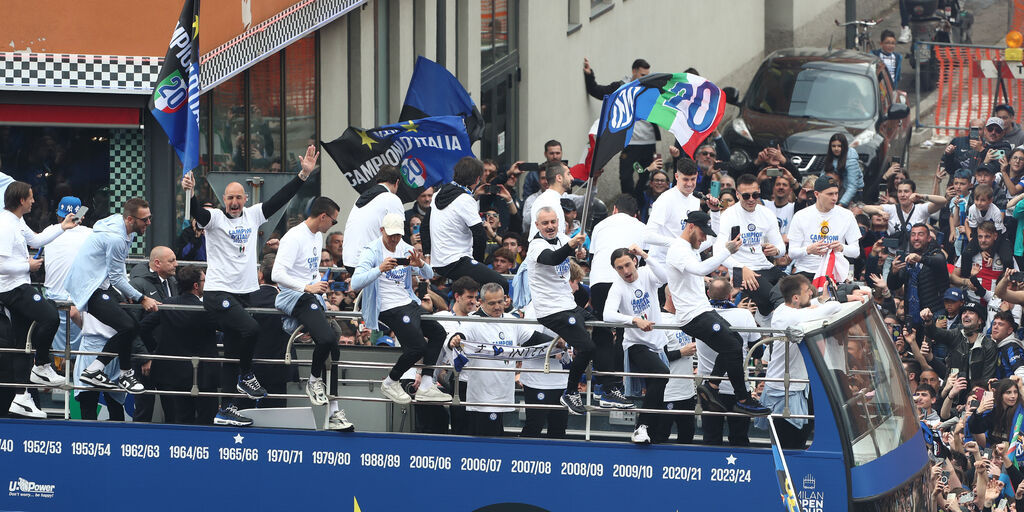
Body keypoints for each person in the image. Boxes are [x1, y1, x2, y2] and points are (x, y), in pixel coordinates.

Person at [181, 144, 319, 426]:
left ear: (245, 199)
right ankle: (247, 376)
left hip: (244, 294)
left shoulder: (253, 214)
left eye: (238, 197)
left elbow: (280, 199)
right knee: (251, 329)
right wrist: (191, 194)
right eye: (229, 197)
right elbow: (199, 214)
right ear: (224, 199)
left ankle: (226, 409)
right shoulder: (215, 218)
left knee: (233, 354)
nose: (234, 202)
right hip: (218, 292)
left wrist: (303, 175)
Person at [665, 210, 770, 416]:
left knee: (735, 341)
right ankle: (742, 398)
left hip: (701, 310)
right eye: (702, 233)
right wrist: (727, 251)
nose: (705, 238)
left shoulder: (689, 245)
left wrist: (714, 212)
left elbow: (713, 241)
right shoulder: (678, 249)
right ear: (691, 227)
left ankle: (712, 386)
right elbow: (700, 269)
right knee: (732, 346)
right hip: (692, 316)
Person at [527, 206, 631, 414]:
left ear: (559, 222)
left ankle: (609, 388)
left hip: (568, 304)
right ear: (537, 225)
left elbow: (573, 253)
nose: (550, 226)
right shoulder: (536, 246)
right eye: (545, 223)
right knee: (587, 347)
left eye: (553, 222)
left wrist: (579, 252)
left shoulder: (561, 238)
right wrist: (571, 246)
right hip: (551, 310)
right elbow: (552, 258)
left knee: (603, 332)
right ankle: (571, 392)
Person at [272, 196, 355, 431]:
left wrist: (320, 284)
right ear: (323, 217)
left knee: (334, 345)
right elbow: (277, 274)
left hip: (311, 296)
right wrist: (307, 287)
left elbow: (310, 271)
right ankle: (314, 380)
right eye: (334, 221)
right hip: (295, 296)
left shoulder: (317, 236)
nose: (334, 224)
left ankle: (334, 410)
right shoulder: (294, 237)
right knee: (327, 338)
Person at [351, 213, 452, 405]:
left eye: (398, 235)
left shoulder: (406, 248)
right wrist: (380, 269)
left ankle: (426, 385)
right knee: (417, 347)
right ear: (382, 231)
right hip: (386, 306)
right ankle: (390, 382)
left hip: (408, 302)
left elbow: (429, 274)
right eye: (391, 235)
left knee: (438, 333)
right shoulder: (371, 251)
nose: (394, 239)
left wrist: (420, 264)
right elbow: (356, 283)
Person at [0, 184, 78, 417]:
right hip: (13, 288)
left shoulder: (16, 221)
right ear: (21, 200)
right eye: (31, 198)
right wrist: (28, 266)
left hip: (18, 286)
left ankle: (21, 397)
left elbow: (36, 240)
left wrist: (63, 227)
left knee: (22, 345)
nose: (34, 201)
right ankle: (42, 365)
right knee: (51, 316)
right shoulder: (5, 224)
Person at [65, 197, 156, 394]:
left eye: (150, 218)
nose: (149, 223)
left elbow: (118, 267)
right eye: (145, 219)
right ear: (130, 219)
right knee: (128, 326)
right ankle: (96, 371)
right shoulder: (116, 238)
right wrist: (142, 298)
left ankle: (122, 374)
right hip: (90, 288)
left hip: (100, 283)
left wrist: (127, 291)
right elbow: (116, 277)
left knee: (130, 325)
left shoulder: (124, 228)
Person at [448, 282, 554, 436]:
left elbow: (534, 338)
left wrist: (557, 343)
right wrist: (456, 339)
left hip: (503, 392)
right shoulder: (473, 321)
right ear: (481, 302)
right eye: (492, 303)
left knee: (497, 435)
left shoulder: (511, 320)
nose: (497, 307)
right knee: (484, 438)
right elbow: (460, 335)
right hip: (482, 396)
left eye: (500, 301)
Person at [762, 274, 844, 448]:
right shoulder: (790, 316)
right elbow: (834, 306)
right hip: (784, 390)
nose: (811, 293)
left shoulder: (787, 309)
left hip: (797, 385)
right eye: (808, 291)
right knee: (788, 442)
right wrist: (828, 300)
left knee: (802, 435)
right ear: (796, 298)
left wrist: (819, 300)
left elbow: (812, 306)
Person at [602, 245, 670, 444]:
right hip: (635, 344)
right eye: (619, 268)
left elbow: (665, 277)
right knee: (662, 374)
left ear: (635, 262)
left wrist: (643, 254)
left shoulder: (647, 273)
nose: (625, 271)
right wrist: (634, 320)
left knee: (658, 386)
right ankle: (642, 426)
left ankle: (652, 434)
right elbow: (607, 315)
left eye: (627, 265)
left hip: (658, 343)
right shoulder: (618, 286)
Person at [137, 266, 220, 425]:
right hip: (203, 374)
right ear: (196, 285)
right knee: (207, 421)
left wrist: (154, 348)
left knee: (179, 421)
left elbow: (142, 328)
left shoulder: (167, 304)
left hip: (173, 373)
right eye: (205, 280)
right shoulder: (206, 309)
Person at [587, 194, 645, 401]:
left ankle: (604, 385)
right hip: (624, 280)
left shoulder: (600, 225)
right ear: (635, 214)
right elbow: (643, 261)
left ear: (614, 210)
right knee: (623, 333)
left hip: (599, 282)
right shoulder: (641, 226)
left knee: (602, 334)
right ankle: (617, 385)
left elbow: (592, 257)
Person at [422, 157, 508, 293]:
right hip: (457, 262)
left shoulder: (438, 193)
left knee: (469, 292)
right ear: (477, 179)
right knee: (502, 284)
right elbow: (479, 235)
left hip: (438, 263)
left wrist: (428, 255)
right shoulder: (465, 200)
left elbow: (424, 227)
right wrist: (479, 264)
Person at [696, 278, 760, 446]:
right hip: (738, 389)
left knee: (711, 438)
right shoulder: (744, 315)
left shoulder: (699, 315)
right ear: (730, 295)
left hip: (709, 389)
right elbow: (758, 351)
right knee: (739, 439)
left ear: (708, 293)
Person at [713, 174, 786, 319]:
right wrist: (742, 268)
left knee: (794, 288)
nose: (751, 199)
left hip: (764, 265)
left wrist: (776, 250)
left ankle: (763, 317)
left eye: (755, 195)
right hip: (740, 270)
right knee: (774, 298)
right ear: (737, 195)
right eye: (746, 196)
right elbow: (717, 252)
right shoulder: (728, 215)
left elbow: (781, 247)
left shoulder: (767, 213)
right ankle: (768, 320)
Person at [583, 57, 656, 197]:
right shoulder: (621, 87)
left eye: (647, 75)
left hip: (648, 142)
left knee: (646, 177)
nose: (645, 78)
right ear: (634, 71)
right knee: (625, 177)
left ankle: (639, 204)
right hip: (630, 143)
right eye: (642, 75)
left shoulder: (651, 89)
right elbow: (597, 91)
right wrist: (589, 75)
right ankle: (628, 204)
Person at [127, 245, 178, 423]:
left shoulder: (173, 282)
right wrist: (144, 357)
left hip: (168, 356)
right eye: (171, 261)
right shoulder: (137, 285)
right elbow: (131, 326)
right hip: (146, 358)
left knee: (173, 408)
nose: (176, 264)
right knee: (144, 408)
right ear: (157, 263)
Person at [788, 176, 862, 283]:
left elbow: (856, 252)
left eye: (836, 193)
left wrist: (841, 247)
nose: (834, 198)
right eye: (830, 194)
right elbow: (792, 253)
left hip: (833, 272)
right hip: (806, 271)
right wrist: (808, 250)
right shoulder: (801, 216)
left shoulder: (847, 215)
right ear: (816, 194)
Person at [645, 159, 718, 264]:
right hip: (663, 263)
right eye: (685, 179)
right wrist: (680, 244)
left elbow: (712, 238)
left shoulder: (695, 199)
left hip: (685, 261)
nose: (689, 184)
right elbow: (648, 236)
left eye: (693, 179)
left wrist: (715, 211)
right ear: (676, 177)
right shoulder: (665, 200)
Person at [885, 223, 950, 328]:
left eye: (920, 234)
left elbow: (940, 261)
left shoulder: (936, 253)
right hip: (912, 315)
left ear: (929, 238)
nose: (916, 238)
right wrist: (894, 272)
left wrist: (920, 259)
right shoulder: (908, 258)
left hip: (934, 313)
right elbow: (893, 286)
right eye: (913, 234)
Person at [921, 303, 998, 388]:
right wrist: (928, 321)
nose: (966, 315)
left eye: (971, 313)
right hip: (951, 392)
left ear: (980, 320)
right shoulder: (955, 334)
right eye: (964, 312)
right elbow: (934, 333)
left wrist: (975, 395)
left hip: (975, 393)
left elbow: (986, 379)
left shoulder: (989, 345)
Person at [341, 165, 404, 269]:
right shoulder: (392, 199)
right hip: (369, 263)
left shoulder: (360, 197)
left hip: (349, 261)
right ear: (397, 182)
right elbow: (399, 233)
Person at [862, 179, 946, 240]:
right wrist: (880, 212)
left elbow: (943, 201)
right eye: (899, 191)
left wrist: (922, 196)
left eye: (906, 191)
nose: (902, 195)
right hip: (894, 255)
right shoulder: (891, 208)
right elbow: (865, 208)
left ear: (913, 192)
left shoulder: (921, 209)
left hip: (915, 255)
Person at [967, 377, 1024, 446]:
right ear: (1000, 394)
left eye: (1015, 392)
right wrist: (978, 412)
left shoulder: (1020, 410)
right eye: (1008, 392)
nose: (1013, 396)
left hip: (1015, 450)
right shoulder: (993, 410)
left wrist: (1021, 387)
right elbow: (975, 428)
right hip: (993, 449)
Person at [820, 133, 864, 208]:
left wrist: (841, 204)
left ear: (844, 146)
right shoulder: (831, 157)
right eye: (833, 146)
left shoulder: (851, 160)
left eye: (839, 146)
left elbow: (853, 186)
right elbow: (823, 176)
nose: (836, 149)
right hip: (838, 189)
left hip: (853, 193)